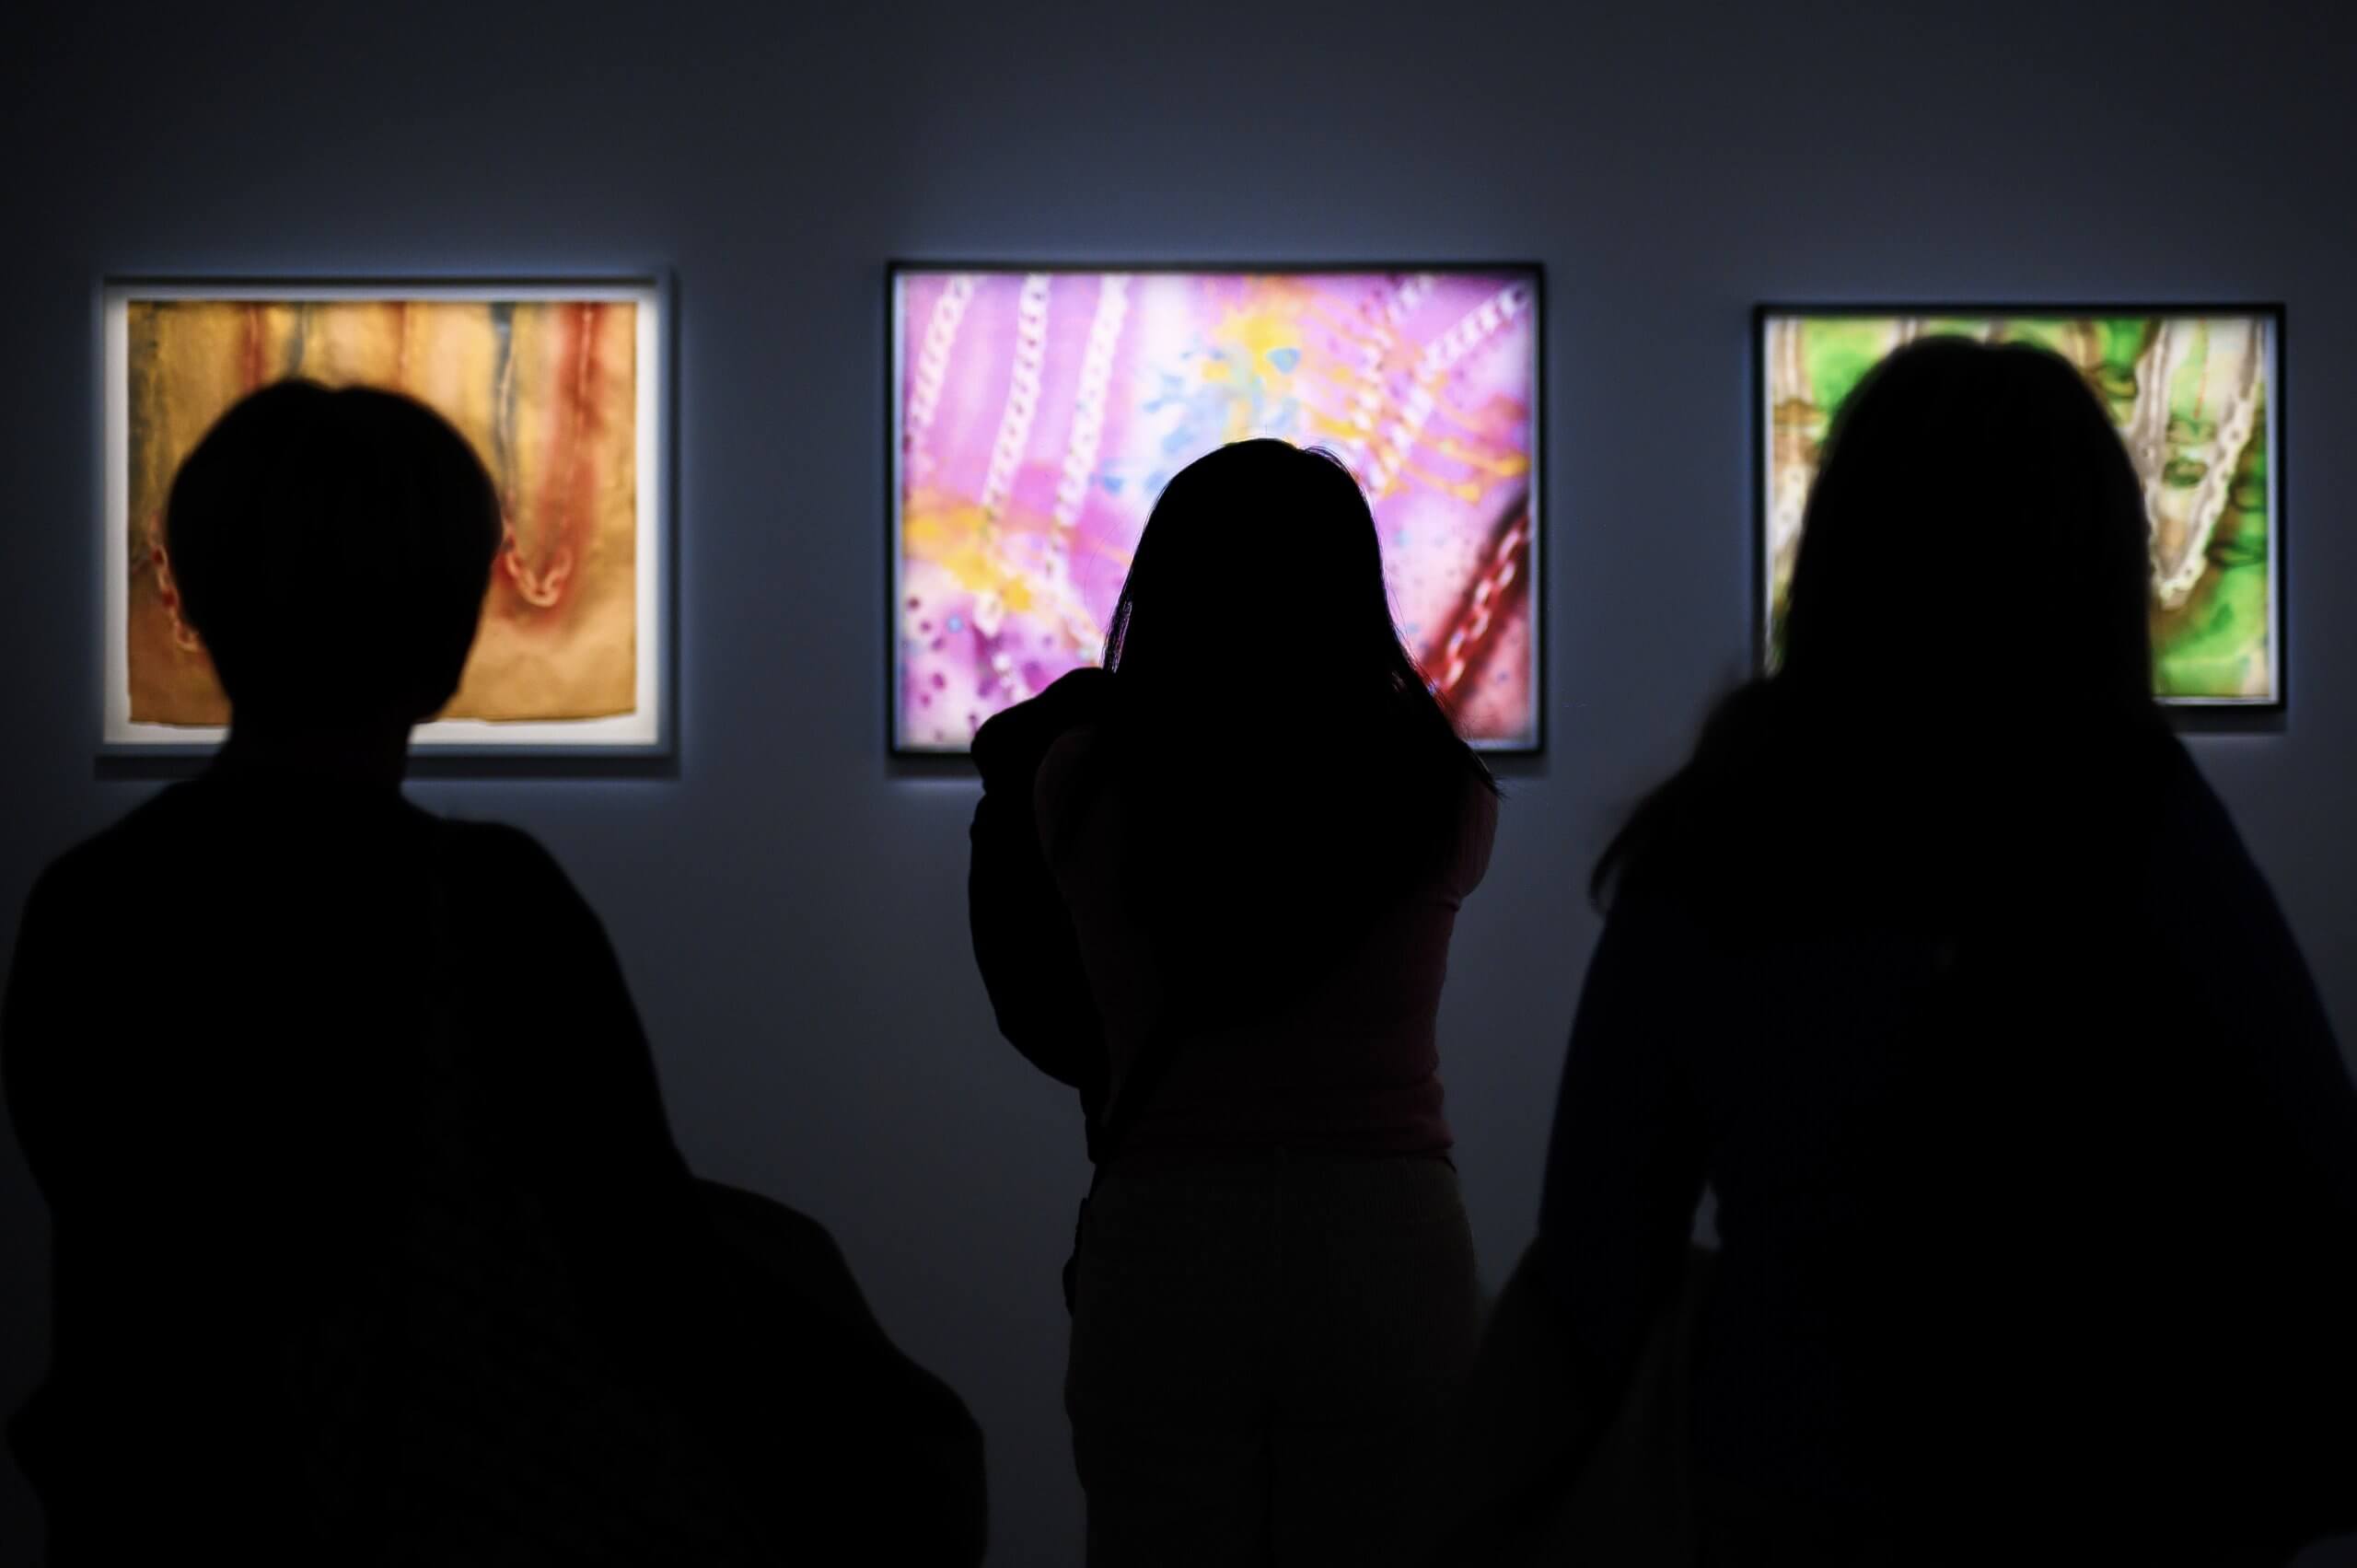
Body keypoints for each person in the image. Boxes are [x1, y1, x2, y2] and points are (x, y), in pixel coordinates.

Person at [4, 381, 985, 1565]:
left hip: (166, 1504)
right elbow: (641, 1261)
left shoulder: (94, 898)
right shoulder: (487, 902)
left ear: (201, 595)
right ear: (449, 628)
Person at [1516, 338, 2357, 1562]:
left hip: (1783, 1484)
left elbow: (1593, 1230)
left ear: (1842, 550)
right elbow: (2312, 1176)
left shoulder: (1739, 817)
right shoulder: (2131, 813)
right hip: (2088, 1482)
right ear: (2094, 566)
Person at [968, 438, 1502, 1566]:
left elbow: (1041, 1003)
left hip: (1167, 1233)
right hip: (1387, 1237)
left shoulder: (1083, 778)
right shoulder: (1440, 791)